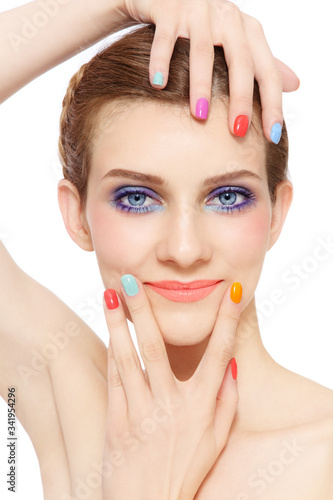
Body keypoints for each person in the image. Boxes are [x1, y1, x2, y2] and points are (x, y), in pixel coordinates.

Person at [1, 1, 332, 499]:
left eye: (227, 197)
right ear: (76, 215)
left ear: (277, 214)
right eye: (136, 198)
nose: (183, 249)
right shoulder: (70, 399)